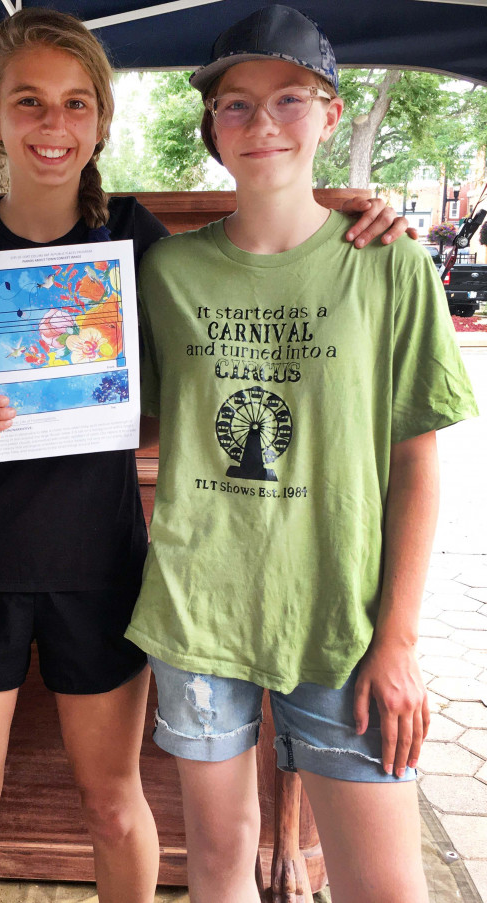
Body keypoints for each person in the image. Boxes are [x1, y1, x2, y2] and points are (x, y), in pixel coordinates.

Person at [0, 8, 411, 903]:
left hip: (105, 567)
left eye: (76, 103)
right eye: (30, 103)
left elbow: (230, 300)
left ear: (100, 121)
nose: (54, 125)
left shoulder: (142, 242)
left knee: (114, 803)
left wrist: (349, 208)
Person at [124, 6, 479, 902]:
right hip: (200, 607)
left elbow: (415, 460)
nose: (263, 123)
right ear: (212, 128)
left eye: (288, 99)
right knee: (217, 864)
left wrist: (397, 639)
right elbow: (148, 423)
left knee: (386, 886)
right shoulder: (169, 273)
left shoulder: (391, 263)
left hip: (341, 618)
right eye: (236, 106)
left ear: (329, 111)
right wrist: (9, 425)